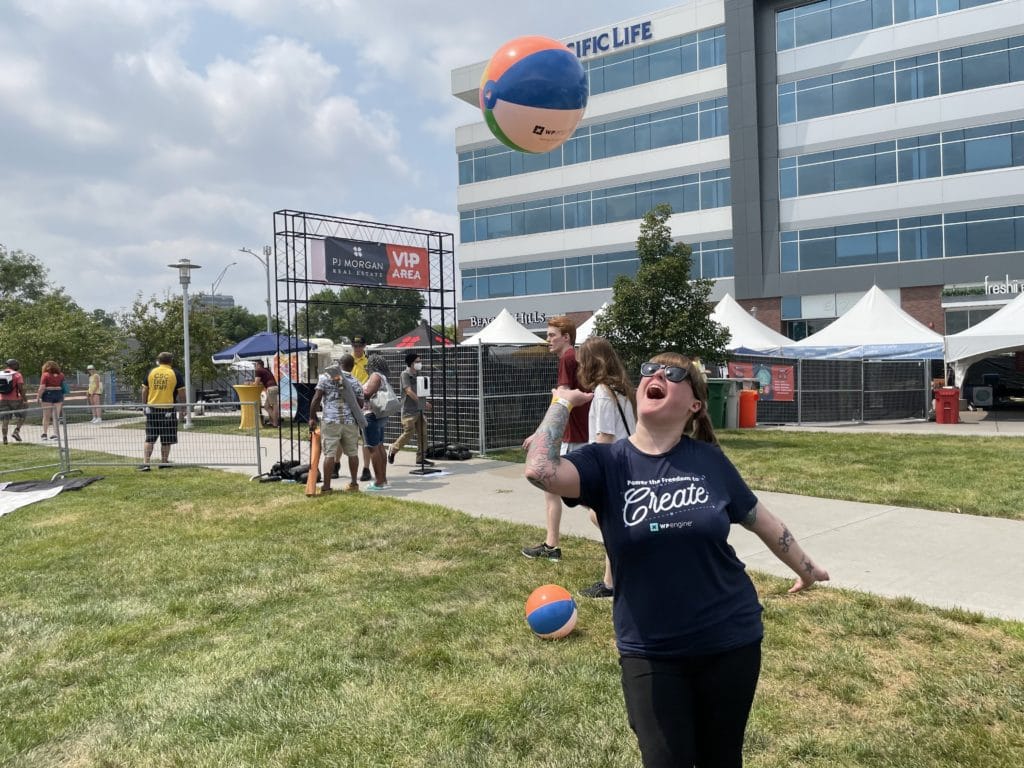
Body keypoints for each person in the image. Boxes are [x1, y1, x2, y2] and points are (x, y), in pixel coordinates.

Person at [524, 351, 830, 768]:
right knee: (665, 759)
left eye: (674, 373)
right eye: (648, 369)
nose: (656, 375)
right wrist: (561, 402)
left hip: (730, 639)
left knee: (721, 758)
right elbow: (539, 469)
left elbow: (760, 519)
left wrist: (807, 569)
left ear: (694, 405)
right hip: (650, 650)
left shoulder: (708, 462)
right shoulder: (606, 462)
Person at [521, 316, 590, 561]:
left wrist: (540, 434)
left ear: (566, 337)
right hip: (574, 435)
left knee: (588, 497)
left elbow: (559, 400)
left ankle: (622, 539)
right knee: (553, 490)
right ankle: (552, 546)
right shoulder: (575, 357)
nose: (547, 339)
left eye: (551, 335)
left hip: (573, 437)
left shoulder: (568, 358)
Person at [574, 336, 636, 600]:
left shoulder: (602, 392)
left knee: (605, 520)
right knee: (611, 522)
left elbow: (605, 438)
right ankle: (611, 579)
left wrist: (592, 469)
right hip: (629, 461)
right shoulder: (623, 389)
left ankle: (612, 582)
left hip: (612, 466)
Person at [308, 358, 367, 493]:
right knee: (352, 453)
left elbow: (317, 398)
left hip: (330, 420)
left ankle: (327, 487)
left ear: (339, 365)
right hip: (350, 422)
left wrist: (312, 417)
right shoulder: (356, 382)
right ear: (352, 367)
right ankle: (353, 484)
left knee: (330, 454)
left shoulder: (325, 378)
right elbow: (360, 405)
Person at [140, 352, 186, 471]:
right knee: (167, 438)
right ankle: (164, 462)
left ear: (159, 361)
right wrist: (184, 408)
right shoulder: (175, 373)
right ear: (171, 361)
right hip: (168, 410)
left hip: (152, 409)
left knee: (150, 437)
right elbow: (181, 393)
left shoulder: (151, 372)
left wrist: (144, 405)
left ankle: (146, 463)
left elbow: (144, 390)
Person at [388, 351, 435, 467]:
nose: (420, 363)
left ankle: (421, 458)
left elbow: (421, 392)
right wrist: (422, 403)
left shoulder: (418, 375)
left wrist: (424, 404)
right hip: (408, 410)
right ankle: (393, 449)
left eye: (420, 361)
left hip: (419, 410)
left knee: (423, 434)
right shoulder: (405, 374)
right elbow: (408, 391)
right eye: (417, 361)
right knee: (409, 432)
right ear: (411, 363)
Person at [362, 353, 393, 491]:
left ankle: (379, 481)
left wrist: (357, 391)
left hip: (371, 414)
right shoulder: (383, 377)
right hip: (379, 415)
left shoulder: (375, 376)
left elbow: (368, 394)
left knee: (372, 448)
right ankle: (383, 479)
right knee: (380, 446)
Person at [350, 335, 373, 482]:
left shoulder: (369, 361)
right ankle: (336, 465)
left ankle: (366, 468)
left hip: (365, 401)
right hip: (349, 401)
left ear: (364, 346)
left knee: (366, 437)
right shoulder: (347, 360)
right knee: (346, 436)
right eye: (354, 345)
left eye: (359, 346)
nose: (357, 348)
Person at [0, 358, 27, 445]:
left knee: (5, 419)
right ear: (14, 365)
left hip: (2, 399)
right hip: (15, 400)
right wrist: (25, 399)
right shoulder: (17, 375)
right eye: (16, 365)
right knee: (23, 414)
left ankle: (4, 438)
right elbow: (21, 389)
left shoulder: (1, 374)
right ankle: (16, 430)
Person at [37, 360, 65, 441]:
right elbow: (63, 387)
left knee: (46, 416)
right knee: (56, 416)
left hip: (48, 394)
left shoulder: (45, 375)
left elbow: (42, 387)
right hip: (59, 394)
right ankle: (56, 434)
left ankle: (44, 434)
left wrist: (38, 397)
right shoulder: (61, 375)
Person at [252, 360, 280, 427]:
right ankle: (273, 421)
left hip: (271, 388)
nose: (255, 367)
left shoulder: (258, 371)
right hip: (274, 387)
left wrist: (251, 383)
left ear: (258, 365)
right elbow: (265, 380)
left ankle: (275, 423)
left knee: (274, 405)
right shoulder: (266, 369)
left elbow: (256, 383)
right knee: (266, 406)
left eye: (255, 365)